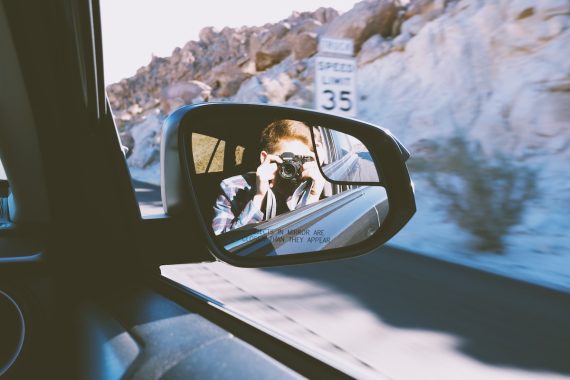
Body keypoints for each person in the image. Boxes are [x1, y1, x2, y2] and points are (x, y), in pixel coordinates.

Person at [212, 119, 326, 235]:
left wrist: (313, 196)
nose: (292, 167)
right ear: (264, 158)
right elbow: (223, 243)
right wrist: (259, 197)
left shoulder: (312, 186)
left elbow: (313, 238)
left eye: (300, 160)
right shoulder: (233, 188)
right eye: (287, 160)